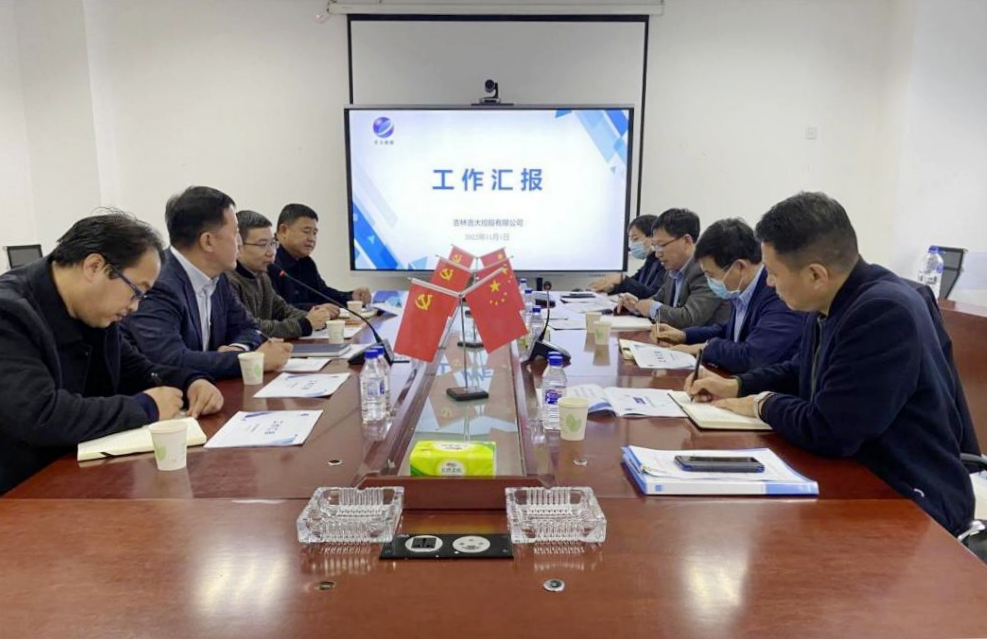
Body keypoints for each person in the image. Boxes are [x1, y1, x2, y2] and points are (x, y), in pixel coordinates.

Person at [685, 192, 980, 535]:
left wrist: (761, 404)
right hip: (860, 476)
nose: (768, 282)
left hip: (911, 499)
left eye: (774, 273)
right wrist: (736, 385)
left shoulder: (882, 313)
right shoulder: (830, 301)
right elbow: (800, 370)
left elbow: (829, 430)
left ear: (816, 275)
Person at [0, 212, 224, 494]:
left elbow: (135, 369)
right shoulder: (9, 314)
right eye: (136, 292)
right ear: (94, 267)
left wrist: (189, 381)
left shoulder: (94, 311)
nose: (135, 307)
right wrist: (146, 407)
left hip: (79, 475)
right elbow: (41, 415)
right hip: (21, 493)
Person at [125, 186, 292, 378]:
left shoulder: (217, 276)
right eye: (235, 233)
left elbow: (249, 327)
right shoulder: (159, 283)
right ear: (208, 241)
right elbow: (169, 360)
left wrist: (237, 348)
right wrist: (250, 360)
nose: (239, 242)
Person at [653, 218, 804, 373]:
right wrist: (685, 335)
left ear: (739, 267)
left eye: (711, 275)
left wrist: (704, 348)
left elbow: (753, 356)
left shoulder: (778, 294)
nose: (710, 282)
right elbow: (727, 330)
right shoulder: (740, 289)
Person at [227, 210, 339, 339]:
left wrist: (314, 318)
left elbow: (282, 310)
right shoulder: (228, 281)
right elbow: (250, 326)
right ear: (238, 246)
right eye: (263, 245)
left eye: (273, 244)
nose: (271, 252)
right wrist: (305, 324)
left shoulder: (262, 277)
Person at [619, 208, 730, 328]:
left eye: (661, 245)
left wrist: (651, 308)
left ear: (686, 241)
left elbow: (689, 318)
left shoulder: (706, 271)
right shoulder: (672, 270)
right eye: (655, 246)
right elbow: (657, 300)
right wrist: (636, 305)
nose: (657, 254)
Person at [270, 203, 372, 310]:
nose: (312, 238)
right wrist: (316, 308)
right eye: (306, 232)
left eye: (314, 233)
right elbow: (276, 309)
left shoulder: (306, 261)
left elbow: (321, 293)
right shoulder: (268, 261)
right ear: (283, 230)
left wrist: (351, 297)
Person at [590, 214, 666, 298]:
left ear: (652, 237)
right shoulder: (651, 260)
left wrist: (622, 278)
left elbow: (653, 295)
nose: (631, 245)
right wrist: (612, 288)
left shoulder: (665, 263)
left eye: (635, 239)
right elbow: (635, 284)